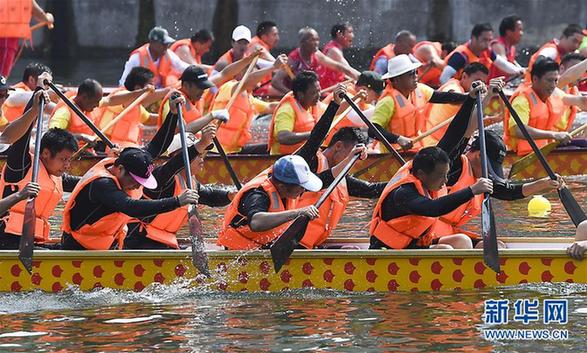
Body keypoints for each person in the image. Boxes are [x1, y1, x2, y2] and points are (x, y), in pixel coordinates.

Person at [431, 81, 563, 246]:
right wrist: (483, 98)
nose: (491, 173)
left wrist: (543, 184)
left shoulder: (481, 177)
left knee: (497, 245)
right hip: (426, 234)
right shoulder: (451, 164)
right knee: (463, 242)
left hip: (447, 233)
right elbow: (461, 131)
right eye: (490, 165)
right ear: (478, 156)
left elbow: (507, 192)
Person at [60, 95, 199, 250]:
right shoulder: (102, 185)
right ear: (120, 169)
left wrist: (172, 114)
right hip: (78, 248)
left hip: (104, 245)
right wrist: (177, 201)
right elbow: (132, 207)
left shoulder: (133, 160)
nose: (136, 186)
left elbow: (156, 146)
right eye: (135, 181)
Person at [217, 139, 367, 250]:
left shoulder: (289, 187)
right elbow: (256, 222)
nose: (304, 191)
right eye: (301, 188)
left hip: (261, 247)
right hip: (237, 254)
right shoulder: (257, 194)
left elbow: (326, 178)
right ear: (282, 186)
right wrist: (298, 212)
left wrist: (349, 160)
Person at [0, 74, 81, 249]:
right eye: (63, 159)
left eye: (69, 160)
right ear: (45, 153)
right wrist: (37, 96)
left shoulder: (58, 177)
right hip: (7, 239)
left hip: (33, 241)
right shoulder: (21, 165)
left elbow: (88, 183)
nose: (67, 165)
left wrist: (115, 164)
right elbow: (21, 138)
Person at [124, 125, 232, 249]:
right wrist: (201, 143)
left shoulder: (191, 183)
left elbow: (210, 197)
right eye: (196, 153)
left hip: (163, 241)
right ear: (177, 155)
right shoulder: (160, 177)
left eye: (202, 153)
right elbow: (173, 165)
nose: (201, 157)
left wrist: (231, 195)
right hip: (138, 240)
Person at [369, 145, 493, 250]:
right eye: (441, 176)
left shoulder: (426, 184)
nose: (445, 181)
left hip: (411, 245)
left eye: (446, 175)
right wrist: (472, 190)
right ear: (421, 174)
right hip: (387, 251)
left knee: (462, 240)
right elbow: (433, 208)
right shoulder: (404, 193)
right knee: (446, 249)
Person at [369, 54, 469, 152]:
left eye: (415, 72)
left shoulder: (420, 90)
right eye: (410, 74)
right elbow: (372, 131)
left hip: (415, 150)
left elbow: (444, 97)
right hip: (394, 155)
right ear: (396, 80)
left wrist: (469, 96)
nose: (416, 76)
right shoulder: (388, 101)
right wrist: (398, 139)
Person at [504, 58, 587, 156]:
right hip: (522, 155)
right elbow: (518, 130)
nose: (553, 85)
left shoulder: (554, 93)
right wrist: (553, 135)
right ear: (535, 79)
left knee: (583, 144)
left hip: (544, 149)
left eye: (555, 81)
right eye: (549, 80)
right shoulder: (522, 100)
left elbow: (581, 101)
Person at [210, 54, 287, 153]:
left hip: (234, 151)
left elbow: (270, 106)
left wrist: (292, 100)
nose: (258, 84)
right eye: (256, 79)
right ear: (242, 74)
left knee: (267, 148)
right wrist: (273, 67)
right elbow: (247, 82)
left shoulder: (249, 99)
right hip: (216, 150)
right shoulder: (229, 87)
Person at [271, 27, 360, 95]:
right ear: (302, 43)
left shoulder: (317, 54)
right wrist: (293, 94)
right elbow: (275, 81)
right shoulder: (293, 59)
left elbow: (338, 66)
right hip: (299, 97)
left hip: (315, 95)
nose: (316, 43)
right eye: (312, 40)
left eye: (317, 39)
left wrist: (359, 77)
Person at [97, 67, 170, 147]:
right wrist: (169, 91)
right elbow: (146, 97)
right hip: (104, 146)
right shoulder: (124, 95)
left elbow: (149, 119)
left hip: (121, 149)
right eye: (152, 87)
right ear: (138, 88)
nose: (154, 89)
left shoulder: (136, 106)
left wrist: (171, 116)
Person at [422, 62, 490, 145]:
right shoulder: (453, 87)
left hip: (439, 139)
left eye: (483, 83)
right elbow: (453, 95)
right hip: (433, 142)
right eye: (477, 81)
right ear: (464, 76)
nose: (481, 85)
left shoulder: (459, 86)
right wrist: (474, 96)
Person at [440, 23, 523, 85]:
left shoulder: (487, 51)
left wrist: (518, 71)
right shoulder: (461, 55)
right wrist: (456, 94)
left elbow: (502, 64)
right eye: (484, 40)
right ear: (473, 38)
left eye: (489, 40)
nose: (487, 44)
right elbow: (444, 78)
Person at [268, 70, 327, 154]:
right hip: (285, 161)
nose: (318, 95)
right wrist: (312, 135)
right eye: (313, 92)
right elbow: (283, 137)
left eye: (319, 91)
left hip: (304, 156)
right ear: (300, 95)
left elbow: (336, 111)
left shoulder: (312, 105)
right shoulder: (287, 110)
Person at [323, 71, 386, 146]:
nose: (376, 99)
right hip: (325, 144)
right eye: (376, 95)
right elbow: (357, 119)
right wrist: (382, 107)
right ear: (364, 89)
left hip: (340, 145)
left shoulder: (363, 101)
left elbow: (371, 113)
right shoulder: (345, 94)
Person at [119, 26, 191, 88]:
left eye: (167, 44)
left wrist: (198, 69)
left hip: (160, 95)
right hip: (143, 96)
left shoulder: (168, 54)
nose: (166, 47)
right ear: (152, 43)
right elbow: (123, 83)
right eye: (163, 44)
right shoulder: (137, 57)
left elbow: (183, 67)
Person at [0, 0, 53, 78]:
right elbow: (40, 14)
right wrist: (48, 18)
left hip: (8, 40)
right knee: (2, 77)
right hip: (7, 42)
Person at [48, 78, 103, 147]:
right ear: (84, 97)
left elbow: (110, 100)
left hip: (87, 153)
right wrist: (81, 137)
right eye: (96, 101)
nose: (98, 105)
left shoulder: (88, 105)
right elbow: (53, 135)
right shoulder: (64, 112)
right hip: (70, 155)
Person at [319, 23, 356, 89]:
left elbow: (346, 75)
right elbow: (349, 71)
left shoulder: (333, 46)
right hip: (329, 92)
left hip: (335, 88)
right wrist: (365, 79)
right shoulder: (334, 50)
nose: (353, 36)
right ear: (339, 34)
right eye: (350, 32)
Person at [489, 15, 525, 80]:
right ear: (508, 32)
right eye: (519, 30)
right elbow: (503, 68)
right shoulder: (498, 45)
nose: (521, 33)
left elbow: (513, 64)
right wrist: (521, 71)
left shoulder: (512, 47)